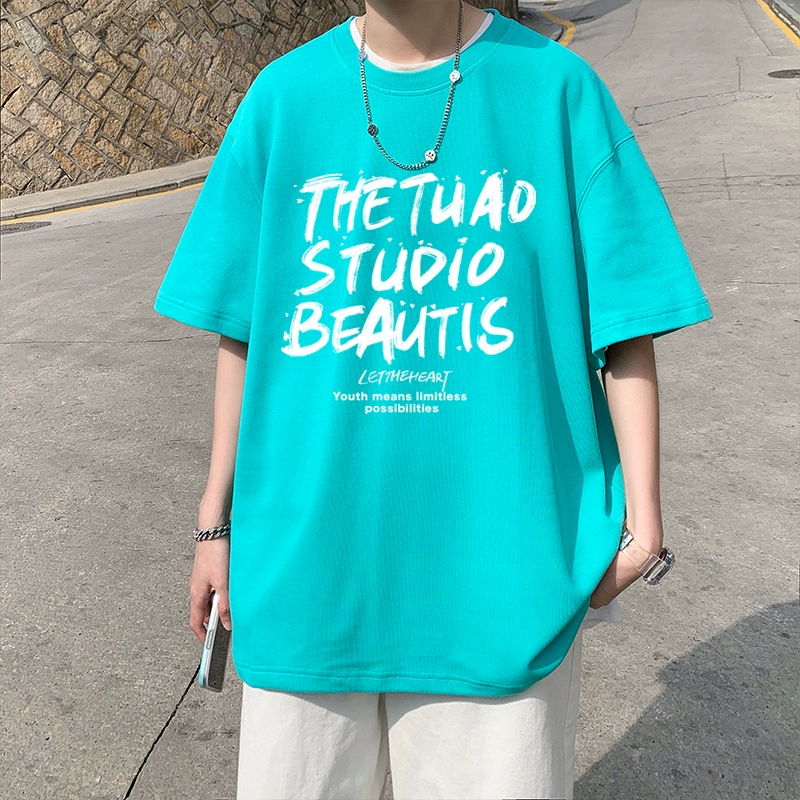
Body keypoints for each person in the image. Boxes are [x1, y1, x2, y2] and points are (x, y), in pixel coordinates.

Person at [153, 2, 712, 798]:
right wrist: (215, 522)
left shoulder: (556, 91)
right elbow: (243, 329)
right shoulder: (283, 99)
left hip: (501, 572)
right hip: (309, 571)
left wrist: (644, 518)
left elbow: (624, 317)